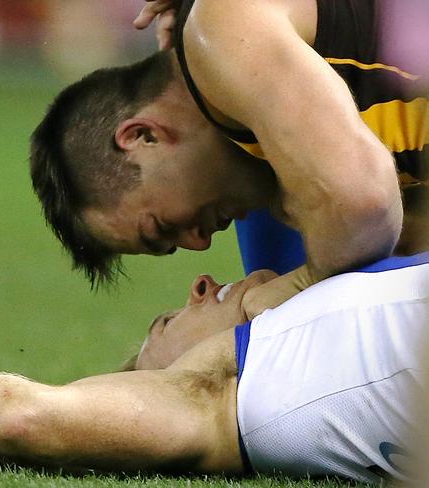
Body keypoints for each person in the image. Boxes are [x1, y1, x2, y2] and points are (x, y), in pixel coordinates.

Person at [0, 252, 429, 483]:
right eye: (166, 325)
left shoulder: (350, 274)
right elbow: (20, 417)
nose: (201, 285)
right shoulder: (216, 397)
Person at [30, 0, 428, 315]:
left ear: (142, 137)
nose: (200, 243)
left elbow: (363, 205)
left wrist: (272, 300)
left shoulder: (217, 28)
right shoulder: (287, 171)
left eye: (162, 228)